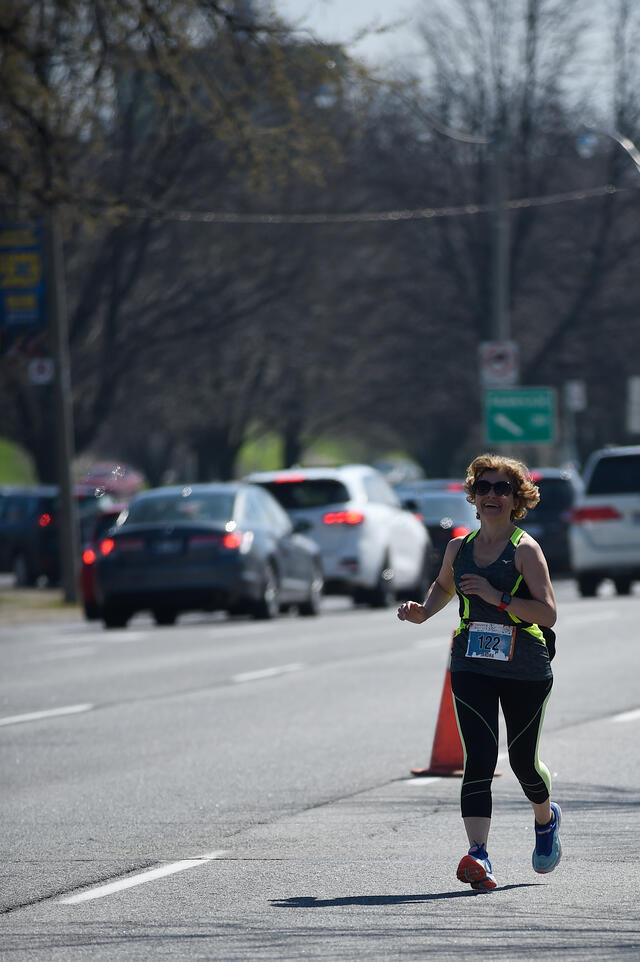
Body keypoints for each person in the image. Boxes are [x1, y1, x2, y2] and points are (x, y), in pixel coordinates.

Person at [397, 453, 561, 891]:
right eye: (484, 487)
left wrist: (498, 596)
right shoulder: (459, 547)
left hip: (525, 664)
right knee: (480, 759)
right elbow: (443, 586)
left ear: (515, 498)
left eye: (501, 488)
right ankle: (478, 854)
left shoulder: (525, 549)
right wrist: (422, 612)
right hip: (471, 661)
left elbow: (547, 612)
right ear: (473, 494)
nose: (491, 495)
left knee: (524, 763)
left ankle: (545, 820)